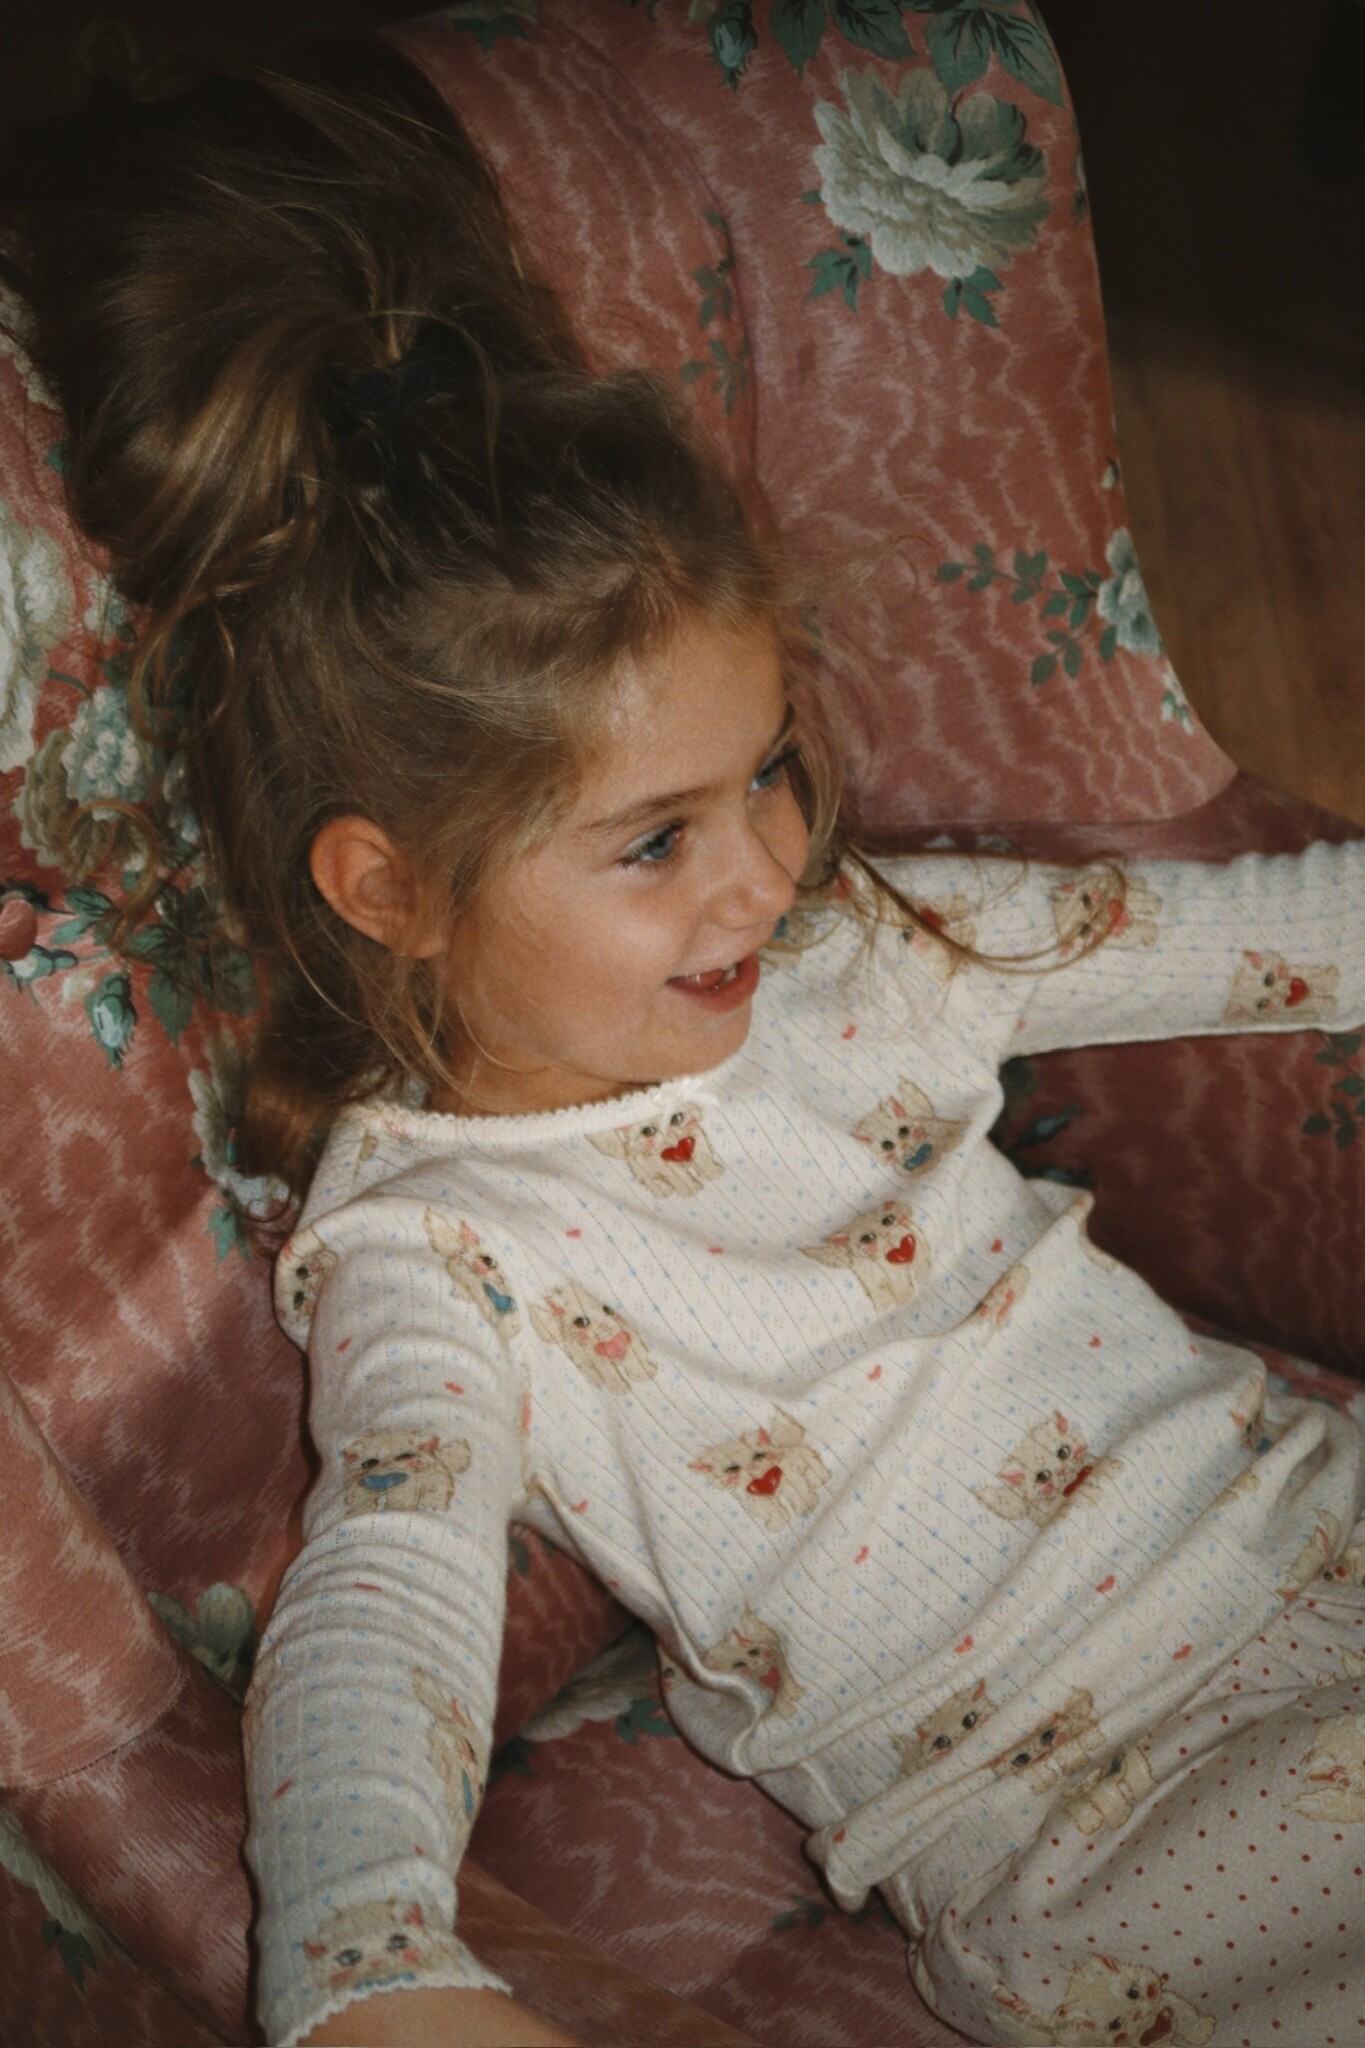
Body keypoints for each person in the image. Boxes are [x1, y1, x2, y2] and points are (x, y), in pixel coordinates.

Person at [5, 36, 1365, 2048]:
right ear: (391, 887)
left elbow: (1285, 936)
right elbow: (388, 1594)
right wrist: (364, 1952)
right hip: (1099, 1823)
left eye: (766, 776)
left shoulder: (873, 952)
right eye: (653, 840)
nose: (760, 873)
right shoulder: (439, 1250)